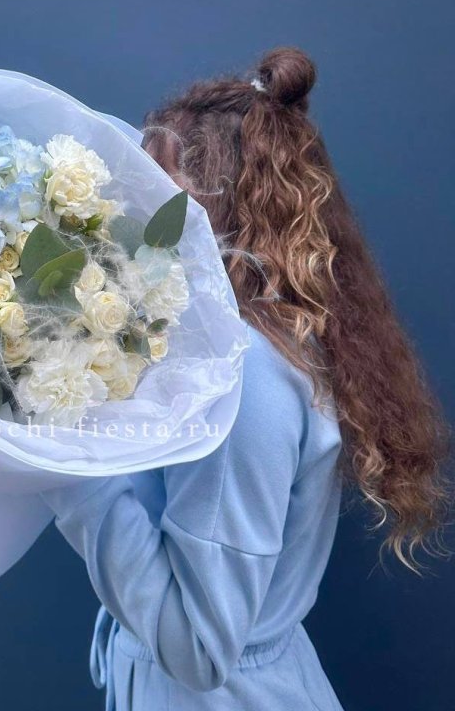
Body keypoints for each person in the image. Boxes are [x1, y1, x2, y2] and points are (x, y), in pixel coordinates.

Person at [38, 48, 450, 710]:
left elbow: (198, 650)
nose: (127, 219)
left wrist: (61, 462)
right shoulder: (239, 344)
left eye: (153, 195)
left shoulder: (246, 376)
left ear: (212, 205)